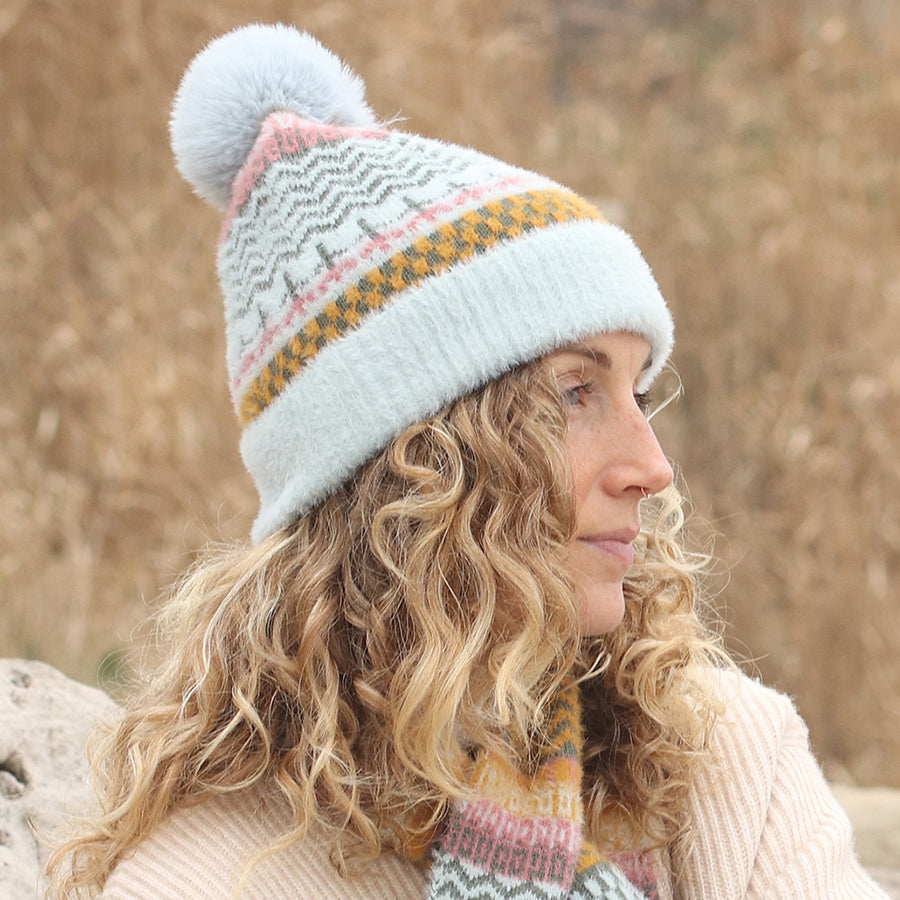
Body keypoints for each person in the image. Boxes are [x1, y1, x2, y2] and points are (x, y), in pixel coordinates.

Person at [48, 23, 889, 900]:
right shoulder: (214, 878)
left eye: (639, 394)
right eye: (575, 393)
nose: (653, 467)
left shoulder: (719, 763)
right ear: (413, 465)